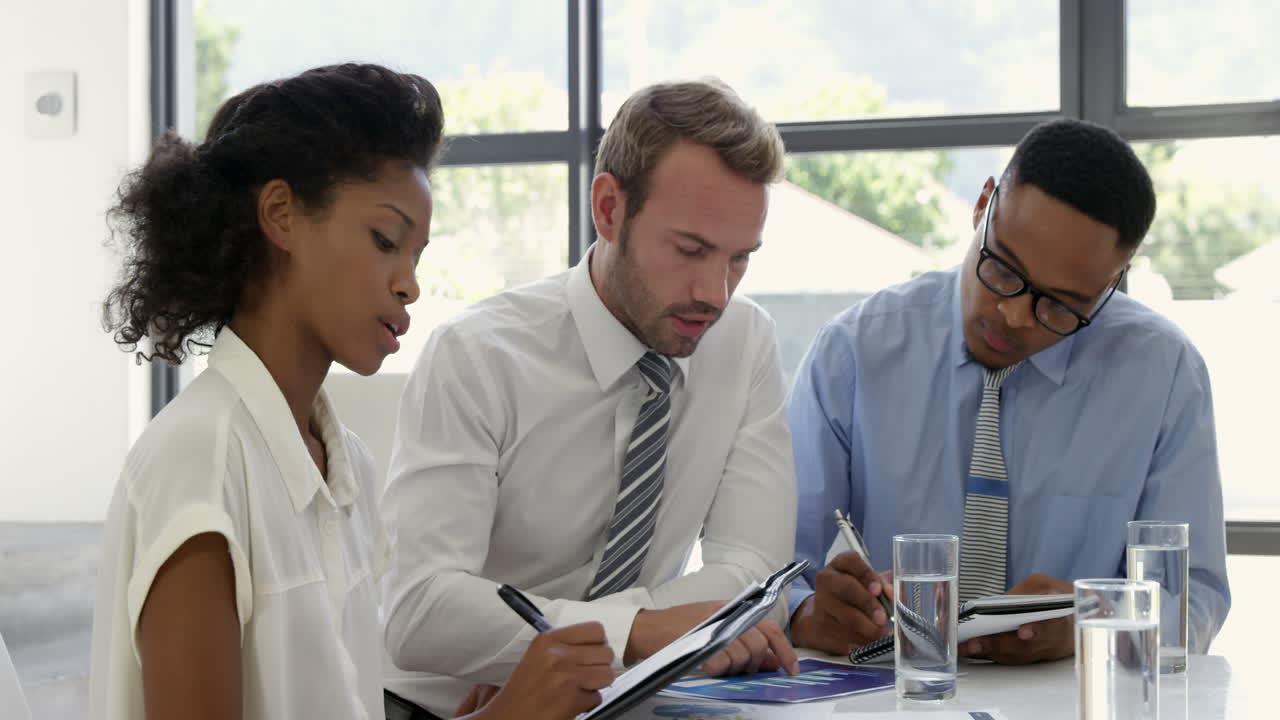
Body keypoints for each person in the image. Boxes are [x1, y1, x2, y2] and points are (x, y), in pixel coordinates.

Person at [89, 63, 613, 720]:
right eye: (385, 240)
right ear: (280, 214)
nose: (409, 284)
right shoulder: (201, 461)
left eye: (415, 255)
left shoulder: (349, 471)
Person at [381, 79, 800, 716]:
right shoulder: (478, 356)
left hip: (629, 700)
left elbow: (755, 576)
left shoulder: (744, 343)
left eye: (739, 258)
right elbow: (418, 610)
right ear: (609, 209)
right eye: (690, 250)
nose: (715, 292)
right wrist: (636, 635)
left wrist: (567, 653)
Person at [787, 118, 1231, 665]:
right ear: (982, 205)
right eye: (1003, 269)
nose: (1014, 315)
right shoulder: (855, 353)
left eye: (1061, 305)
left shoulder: (1163, 375)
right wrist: (807, 612)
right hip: (892, 695)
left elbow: (1196, 600)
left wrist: (1089, 620)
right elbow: (769, 572)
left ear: (1113, 281)